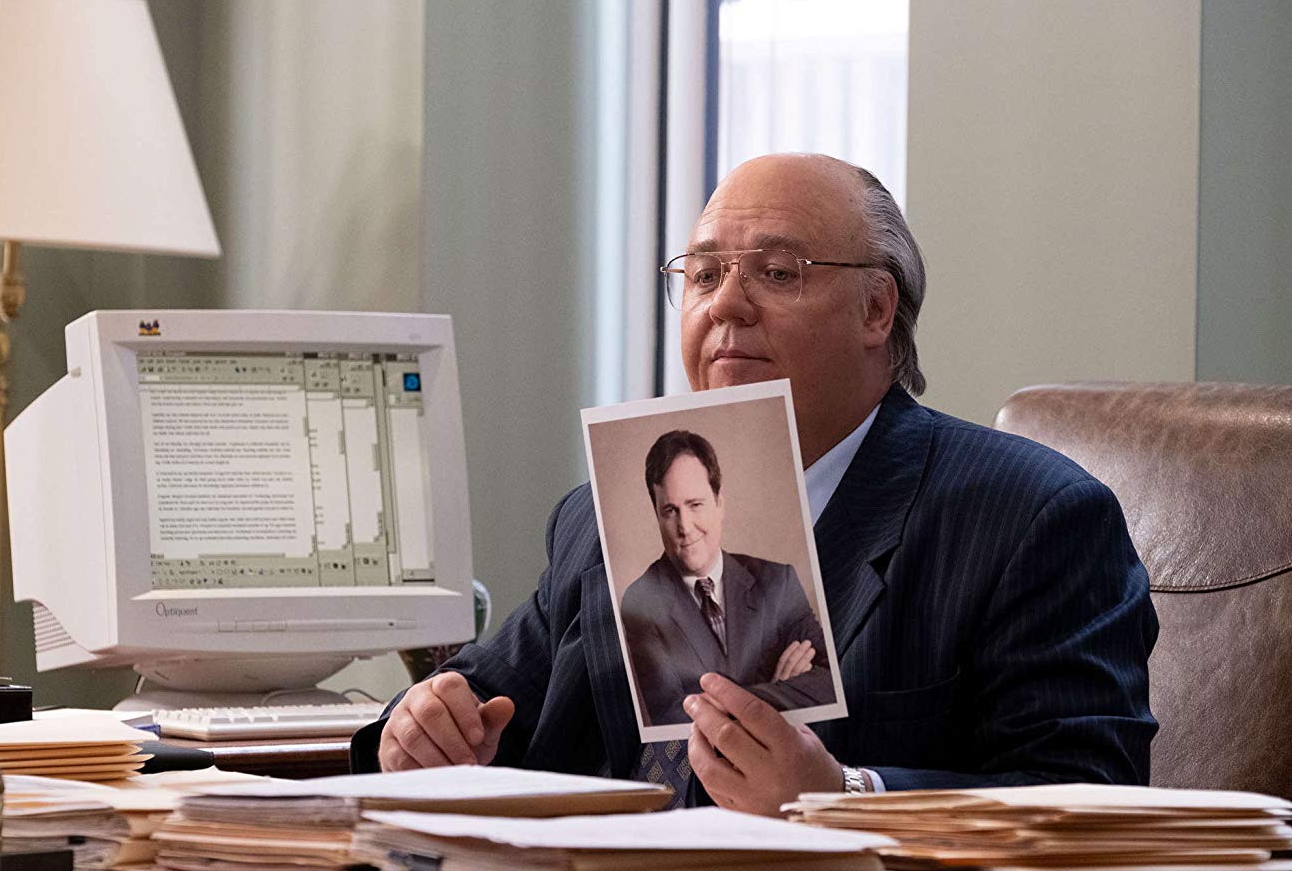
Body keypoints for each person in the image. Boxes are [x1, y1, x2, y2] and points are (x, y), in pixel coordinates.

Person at [351, 153, 1158, 816]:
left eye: (776, 272)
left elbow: (1090, 800)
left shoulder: (1029, 518)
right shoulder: (604, 514)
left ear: (877, 310)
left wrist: (845, 795)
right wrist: (420, 728)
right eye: (703, 276)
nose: (726, 305)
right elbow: (482, 698)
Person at [621, 429, 834, 727]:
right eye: (670, 510)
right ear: (657, 515)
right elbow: (671, 717)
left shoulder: (778, 581)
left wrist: (734, 701)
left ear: (719, 502)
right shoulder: (640, 601)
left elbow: (829, 681)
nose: (685, 527)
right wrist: (776, 691)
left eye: (695, 505)